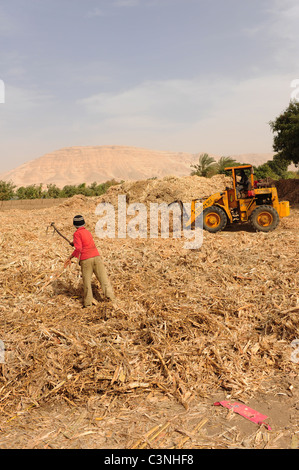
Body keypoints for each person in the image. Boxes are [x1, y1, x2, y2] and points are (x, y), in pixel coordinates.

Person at [64, 215, 115, 307]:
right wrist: (74, 243)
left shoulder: (76, 234)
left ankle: (88, 304)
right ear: (83, 223)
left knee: (87, 282)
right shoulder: (87, 232)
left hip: (86, 259)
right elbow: (85, 242)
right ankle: (111, 299)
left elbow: (79, 248)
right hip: (96, 256)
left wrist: (70, 257)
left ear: (74, 225)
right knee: (103, 279)